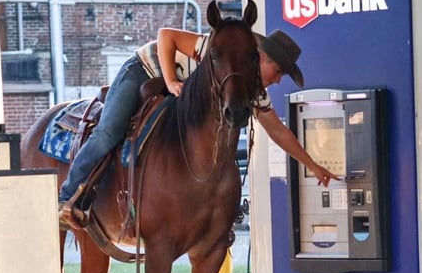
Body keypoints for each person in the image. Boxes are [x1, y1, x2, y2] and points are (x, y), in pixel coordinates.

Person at [58, 26, 340, 228]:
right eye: (278, 72)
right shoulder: (215, 50)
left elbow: (277, 130)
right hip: (144, 69)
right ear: (262, 58)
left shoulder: (249, 91)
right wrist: (170, 81)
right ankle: (67, 197)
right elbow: (166, 36)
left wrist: (312, 165)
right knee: (109, 132)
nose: (278, 81)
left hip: (177, 91)